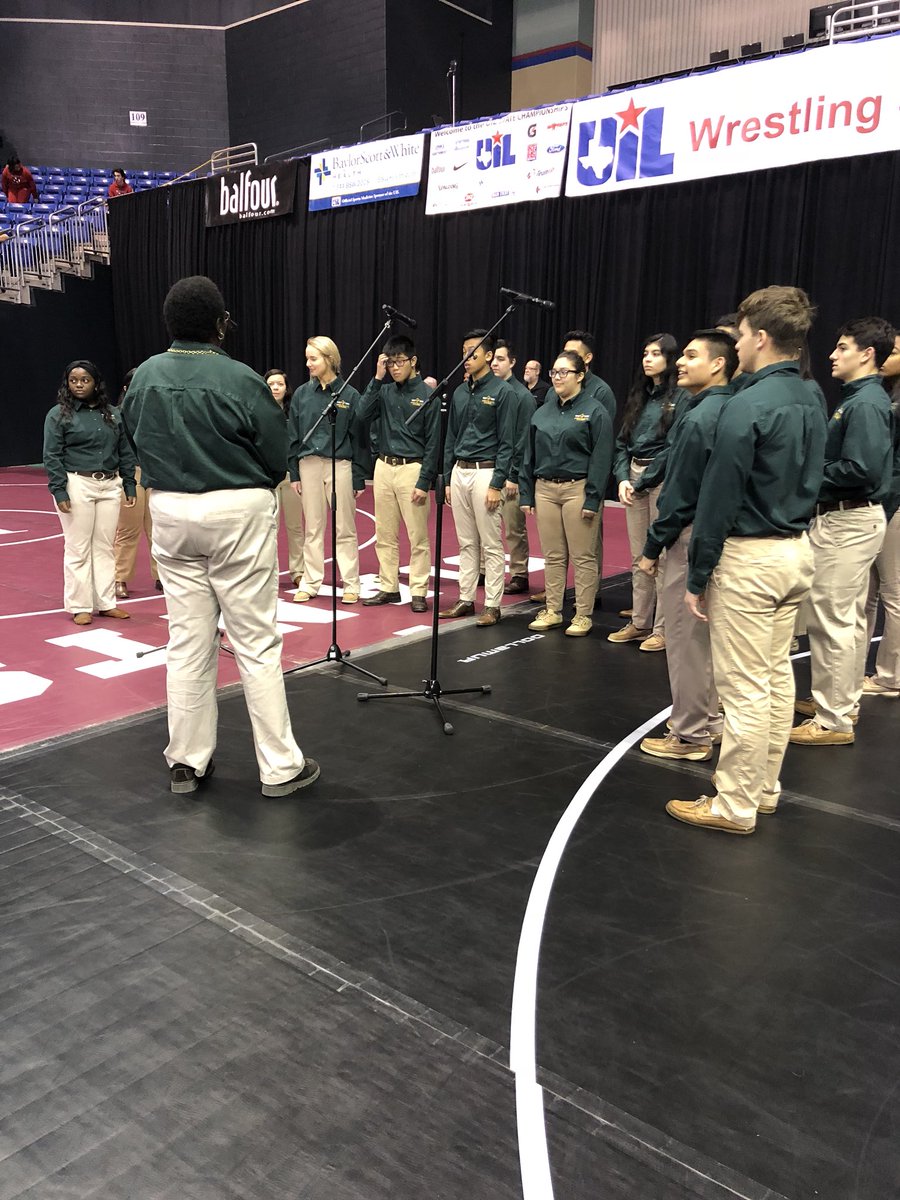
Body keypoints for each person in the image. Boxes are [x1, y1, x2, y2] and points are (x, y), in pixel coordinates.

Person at [122, 275, 318, 797]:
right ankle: (280, 766)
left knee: (187, 640)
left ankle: (186, 760)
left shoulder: (143, 377)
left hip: (168, 510)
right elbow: (276, 457)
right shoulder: (241, 379)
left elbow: (134, 441)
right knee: (254, 641)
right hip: (236, 510)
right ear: (218, 324)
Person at [667, 285, 826, 835]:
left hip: (750, 558)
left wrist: (699, 573)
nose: (734, 345)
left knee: (744, 689)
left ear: (758, 337)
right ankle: (763, 788)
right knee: (775, 678)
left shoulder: (745, 406)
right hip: (797, 551)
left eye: (738, 335)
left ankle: (734, 802)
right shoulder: (812, 395)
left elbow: (718, 498)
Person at [790, 317, 895, 745]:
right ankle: (841, 702)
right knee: (846, 620)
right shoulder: (858, 399)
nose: (832, 355)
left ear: (867, 354)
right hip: (849, 518)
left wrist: (806, 474)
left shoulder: (865, 403)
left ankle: (833, 719)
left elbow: (861, 469)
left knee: (832, 619)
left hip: (847, 519)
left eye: (843, 347)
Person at [635, 330, 737, 761]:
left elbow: (681, 491)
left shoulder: (699, 417)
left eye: (691, 356)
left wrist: (653, 546)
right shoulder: (726, 408)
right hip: (717, 534)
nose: (680, 362)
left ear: (718, 364)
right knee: (704, 639)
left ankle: (690, 734)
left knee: (685, 641)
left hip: (690, 535)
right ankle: (708, 722)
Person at [519, 351, 613, 636]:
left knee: (583, 555)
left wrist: (593, 497)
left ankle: (583, 614)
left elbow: (601, 457)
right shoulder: (543, 411)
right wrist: (526, 494)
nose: (558, 378)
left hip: (578, 488)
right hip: (545, 488)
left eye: (564, 372)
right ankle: (553, 609)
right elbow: (528, 454)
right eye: (554, 372)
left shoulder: (595, 411)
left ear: (580, 375)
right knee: (553, 555)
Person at [609, 333, 688, 651]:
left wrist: (642, 481)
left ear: (670, 359)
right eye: (645, 352)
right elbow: (621, 443)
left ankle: (663, 628)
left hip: (662, 478)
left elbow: (674, 446)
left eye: (656, 353)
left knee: (663, 558)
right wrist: (622, 478)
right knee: (637, 557)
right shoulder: (639, 394)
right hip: (634, 475)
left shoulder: (679, 396)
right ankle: (640, 622)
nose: (648, 358)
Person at [43, 360, 136, 626]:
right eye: (74, 380)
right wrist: (59, 491)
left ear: (96, 382)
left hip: (109, 483)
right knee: (78, 547)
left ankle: (106, 603)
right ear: (67, 383)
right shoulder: (59, 415)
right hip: (77, 483)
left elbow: (125, 451)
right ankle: (80, 605)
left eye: (85, 380)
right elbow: (52, 456)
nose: (79, 384)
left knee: (105, 546)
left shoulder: (113, 414)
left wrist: (129, 483)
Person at [439, 329, 515, 627]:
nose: (466, 358)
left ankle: (493, 604)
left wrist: (497, 483)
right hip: (460, 470)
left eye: (472, 351)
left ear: (488, 355)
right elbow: (451, 437)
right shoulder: (458, 391)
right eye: (463, 352)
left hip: (486, 471)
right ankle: (466, 598)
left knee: (491, 542)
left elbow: (507, 441)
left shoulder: (502, 392)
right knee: (466, 541)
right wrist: (446, 477)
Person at [357, 335, 439, 614]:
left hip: (412, 468)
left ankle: (418, 590)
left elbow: (433, 443)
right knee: (385, 533)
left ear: (413, 361)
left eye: (399, 362)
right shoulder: (385, 391)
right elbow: (360, 414)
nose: (394, 368)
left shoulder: (428, 395)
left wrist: (424, 480)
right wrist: (377, 378)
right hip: (383, 467)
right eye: (390, 363)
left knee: (418, 536)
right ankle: (389, 587)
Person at [288, 337, 365, 605]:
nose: (308, 363)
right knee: (313, 527)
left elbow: (358, 438)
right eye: (307, 358)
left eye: (313, 358)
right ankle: (310, 582)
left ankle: (351, 583)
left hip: (340, 464)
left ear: (329, 359)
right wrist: (294, 473)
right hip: (308, 464)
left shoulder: (349, 394)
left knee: (345, 526)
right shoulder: (301, 394)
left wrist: (357, 476)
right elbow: (293, 435)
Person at [863, 331, 900, 697]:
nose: (888, 356)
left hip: (895, 506)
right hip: (885, 504)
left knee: (893, 592)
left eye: (897, 351)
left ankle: (891, 675)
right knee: (870, 593)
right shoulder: (887, 396)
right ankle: (859, 672)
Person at [491, 339, 534, 594]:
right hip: (488, 467)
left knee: (513, 526)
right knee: (486, 526)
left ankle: (519, 572)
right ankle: (486, 570)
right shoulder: (488, 391)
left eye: (501, 359)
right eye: (493, 359)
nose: (495, 363)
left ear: (513, 362)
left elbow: (522, 439)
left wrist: (514, 475)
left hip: (510, 474)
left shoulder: (522, 396)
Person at [112, 368, 161, 599]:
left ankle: (162, 575)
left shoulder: (157, 412)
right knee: (128, 529)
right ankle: (119, 578)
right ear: (126, 388)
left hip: (156, 473)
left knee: (158, 529)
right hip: (129, 474)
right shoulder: (116, 415)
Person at [265, 368, 305, 589]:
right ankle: (270, 572)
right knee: (270, 528)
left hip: (292, 476)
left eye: (279, 384)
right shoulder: (259, 412)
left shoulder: (294, 413)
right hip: (269, 478)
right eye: (271, 384)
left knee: (295, 527)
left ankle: (298, 571)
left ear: (286, 387)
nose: (275, 388)